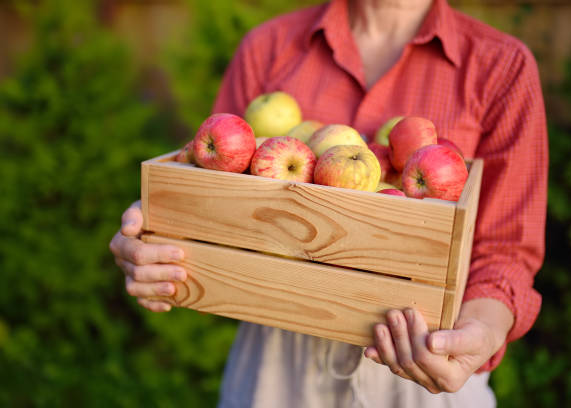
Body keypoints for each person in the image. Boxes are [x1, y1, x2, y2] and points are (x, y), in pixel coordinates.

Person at [109, 0, 548, 406]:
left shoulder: (499, 66)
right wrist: (162, 241)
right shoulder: (269, 47)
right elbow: (218, 192)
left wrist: (481, 334)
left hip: (420, 361)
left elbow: (506, 250)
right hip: (277, 366)